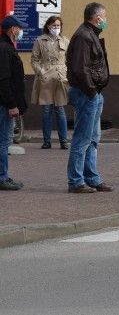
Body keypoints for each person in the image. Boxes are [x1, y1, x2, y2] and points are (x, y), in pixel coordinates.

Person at [65, 2, 113, 194]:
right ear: (97, 18)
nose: (106, 20)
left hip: (93, 93)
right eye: (104, 16)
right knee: (82, 139)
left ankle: (91, 178)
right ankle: (75, 181)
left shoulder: (90, 34)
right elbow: (80, 68)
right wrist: (92, 91)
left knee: (92, 139)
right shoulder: (84, 36)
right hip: (87, 93)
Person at [30, 15, 70, 149]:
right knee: (46, 109)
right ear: (48, 26)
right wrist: (40, 72)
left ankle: (63, 141)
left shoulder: (65, 40)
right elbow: (34, 59)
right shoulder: (40, 41)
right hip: (45, 76)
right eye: (54, 26)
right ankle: (47, 141)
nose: (56, 28)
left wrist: (68, 73)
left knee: (60, 109)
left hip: (60, 76)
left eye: (58, 26)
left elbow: (71, 59)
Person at [0, 15, 28, 191]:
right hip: (4, 105)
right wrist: (11, 104)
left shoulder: (7, 47)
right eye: (19, 28)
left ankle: (3, 176)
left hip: (5, 103)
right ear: (13, 30)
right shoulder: (4, 49)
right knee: (3, 141)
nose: (21, 31)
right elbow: (4, 80)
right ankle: (2, 177)